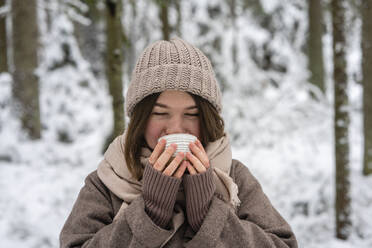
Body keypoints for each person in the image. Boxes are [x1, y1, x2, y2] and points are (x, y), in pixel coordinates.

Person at [60, 37, 298, 248]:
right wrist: (149, 215)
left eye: (192, 114)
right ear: (140, 118)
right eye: (160, 113)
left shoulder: (233, 177)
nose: (175, 128)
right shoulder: (108, 179)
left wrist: (209, 216)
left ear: (207, 119)